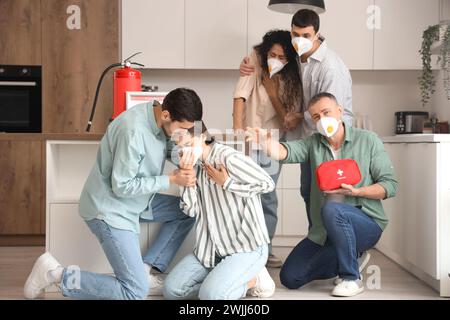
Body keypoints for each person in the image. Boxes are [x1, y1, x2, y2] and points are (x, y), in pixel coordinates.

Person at [24, 88, 203, 300]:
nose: (184, 134)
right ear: (166, 115)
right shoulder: (133, 131)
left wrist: (185, 155)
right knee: (135, 292)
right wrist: (171, 179)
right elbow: (122, 186)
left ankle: (144, 271)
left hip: (136, 202)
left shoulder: (157, 117)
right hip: (110, 209)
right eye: (182, 129)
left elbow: (164, 147)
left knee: (187, 211)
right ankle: (55, 274)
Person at [246, 92, 397, 297]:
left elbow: (389, 185)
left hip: (366, 224)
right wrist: (266, 143)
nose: (322, 120)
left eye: (326, 112)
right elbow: (286, 151)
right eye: (316, 117)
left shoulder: (368, 140)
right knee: (290, 277)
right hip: (324, 232)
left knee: (333, 209)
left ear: (340, 112)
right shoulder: (313, 143)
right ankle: (354, 258)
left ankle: (351, 277)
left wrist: (358, 191)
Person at [239, 9, 353, 264]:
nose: (299, 39)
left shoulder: (330, 67)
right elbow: (266, 56)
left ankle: (344, 254)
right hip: (309, 141)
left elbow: (328, 112)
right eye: (295, 34)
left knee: (330, 201)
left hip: (331, 141)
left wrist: (296, 116)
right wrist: (250, 61)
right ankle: (323, 248)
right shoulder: (300, 59)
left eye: (305, 35)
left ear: (317, 35)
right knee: (309, 194)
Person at [163, 123, 276, 300]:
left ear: (201, 137)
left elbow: (268, 183)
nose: (183, 150)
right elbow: (191, 211)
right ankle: (225, 279)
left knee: (211, 296)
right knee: (172, 291)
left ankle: (253, 280)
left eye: (187, 144)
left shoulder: (228, 158)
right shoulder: (193, 167)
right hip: (211, 250)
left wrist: (228, 184)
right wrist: (186, 179)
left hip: (246, 247)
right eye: (179, 146)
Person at [233, 29, 303, 268]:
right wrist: (238, 133)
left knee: (267, 197)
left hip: (273, 142)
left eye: (282, 57)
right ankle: (242, 250)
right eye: (272, 54)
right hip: (249, 139)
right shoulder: (255, 58)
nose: (276, 59)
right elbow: (240, 96)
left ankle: (265, 250)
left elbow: (289, 121)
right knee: (244, 194)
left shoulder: (294, 78)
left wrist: (273, 93)